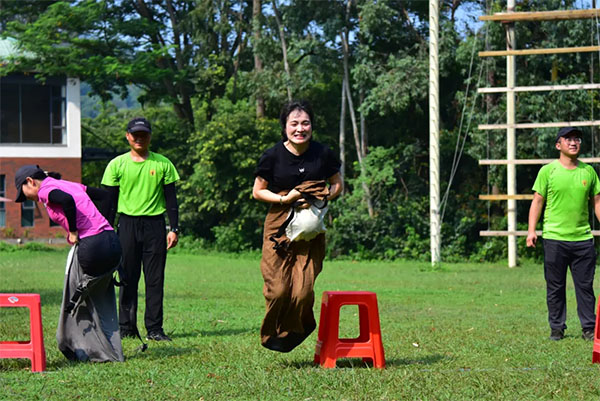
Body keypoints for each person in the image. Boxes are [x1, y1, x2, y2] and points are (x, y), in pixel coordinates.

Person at [252, 100, 343, 352]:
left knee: (303, 292)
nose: (300, 128)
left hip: (309, 232)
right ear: (285, 127)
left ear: (311, 126)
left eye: (305, 123)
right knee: (279, 289)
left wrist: (321, 197)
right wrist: (286, 198)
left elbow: (337, 185)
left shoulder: (322, 153)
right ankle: (273, 332)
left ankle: (297, 329)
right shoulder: (272, 156)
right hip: (278, 230)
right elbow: (258, 192)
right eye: (294, 124)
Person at [14, 164, 124, 362]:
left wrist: (73, 231)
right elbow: (106, 196)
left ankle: (80, 349)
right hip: (112, 244)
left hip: (92, 248)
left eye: (23, 193)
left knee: (74, 302)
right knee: (102, 300)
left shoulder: (46, 189)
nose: (26, 199)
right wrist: (104, 225)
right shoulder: (68, 184)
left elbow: (66, 201)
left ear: (30, 181)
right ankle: (114, 350)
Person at [101, 117, 180, 342]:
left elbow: (171, 200)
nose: (139, 138)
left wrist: (174, 228)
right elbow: (109, 202)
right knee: (127, 278)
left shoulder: (163, 164)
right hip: (126, 225)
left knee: (155, 279)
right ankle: (126, 328)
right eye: (135, 134)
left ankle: (154, 328)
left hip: (155, 226)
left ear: (149, 137)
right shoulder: (117, 165)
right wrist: (105, 231)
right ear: (127, 136)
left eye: (143, 134)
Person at [526, 127, 600, 341]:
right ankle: (557, 328)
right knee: (555, 287)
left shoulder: (589, 172)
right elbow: (537, 201)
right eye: (568, 139)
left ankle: (589, 328)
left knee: (585, 288)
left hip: (583, 240)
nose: (574, 142)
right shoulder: (547, 171)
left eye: (577, 138)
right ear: (558, 145)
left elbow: (597, 203)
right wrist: (532, 230)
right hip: (554, 239)